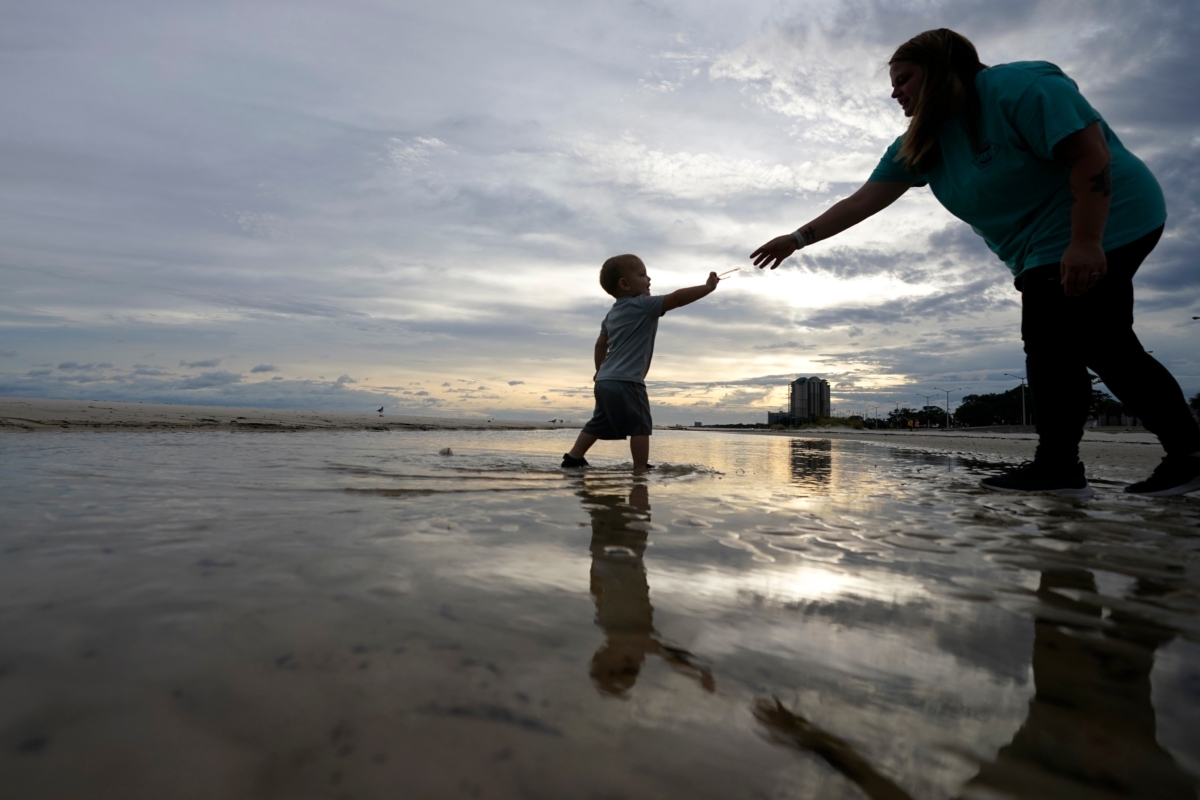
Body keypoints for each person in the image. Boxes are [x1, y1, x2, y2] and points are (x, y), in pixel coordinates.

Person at [750, 28, 1200, 498]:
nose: (894, 91)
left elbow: (1090, 153)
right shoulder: (923, 142)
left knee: (1057, 339)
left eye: (904, 78)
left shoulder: (1016, 87)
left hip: (1110, 216)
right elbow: (863, 200)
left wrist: (1086, 241)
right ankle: (1165, 458)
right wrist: (797, 239)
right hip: (1039, 247)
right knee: (1100, 343)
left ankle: (1063, 468)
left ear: (941, 70)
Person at [562, 255, 718, 470]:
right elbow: (676, 299)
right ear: (624, 284)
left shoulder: (611, 315)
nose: (649, 279)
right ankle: (640, 467)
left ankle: (574, 457)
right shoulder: (644, 305)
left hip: (605, 380)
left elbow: (600, 345)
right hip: (628, 380)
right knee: (641, 426)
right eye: (642, 274)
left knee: (599, 421)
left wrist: (599, 371)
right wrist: (707, 287)